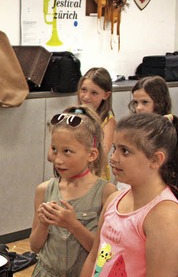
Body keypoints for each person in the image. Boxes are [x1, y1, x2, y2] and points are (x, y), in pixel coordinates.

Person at [80, 113, 178, 276]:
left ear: (156, 160)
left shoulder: (165, 216)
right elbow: (94, 258)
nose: (113, 158)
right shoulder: (114, 200)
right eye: (114, 148)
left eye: (125, 151)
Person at [30, 106, 117, 276]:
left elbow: (103, 252)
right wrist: (44, 223)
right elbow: (34, 246)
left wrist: (73, 224)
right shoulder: (44, 190)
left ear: (91, 155)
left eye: (67, 152)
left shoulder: (106, 192)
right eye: (54, 149)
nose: (58, 159)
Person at [77, 67, 115, 181]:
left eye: (94, 93)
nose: (86, 96)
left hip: (95, 176)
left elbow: (103, 151)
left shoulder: (108, 121)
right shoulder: (74, 115)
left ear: (106, 95)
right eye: (83, 90)